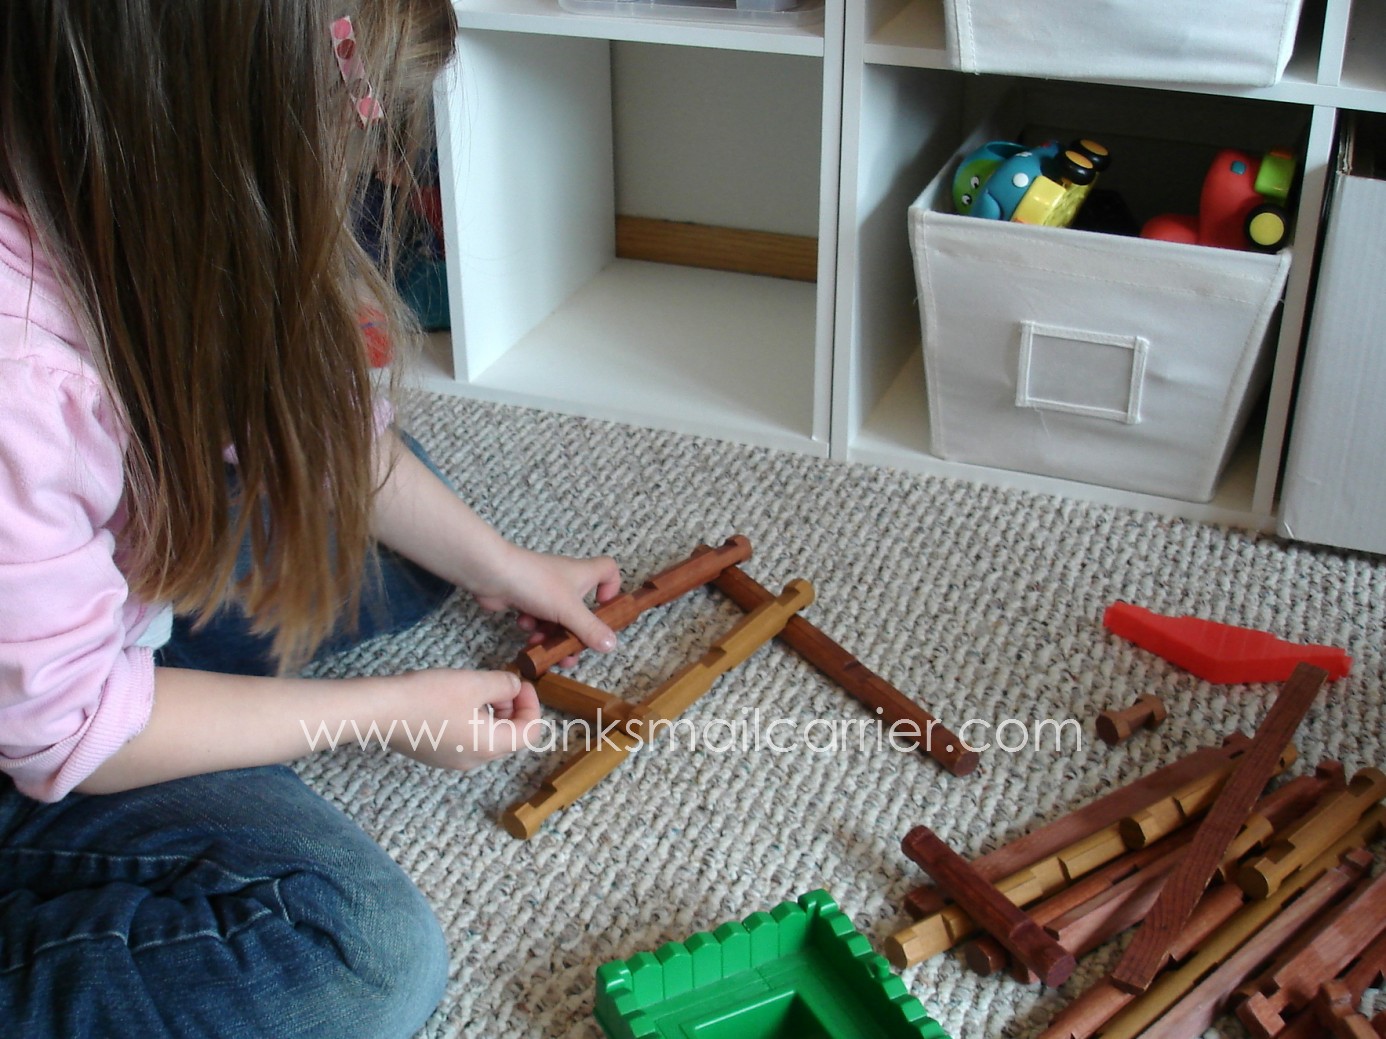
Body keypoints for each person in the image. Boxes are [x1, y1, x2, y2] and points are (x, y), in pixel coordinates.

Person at [0, 3, 622, 1036]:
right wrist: (380, 710)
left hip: (72, 590)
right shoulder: (23, 380)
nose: (368, 168)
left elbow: (320, 435)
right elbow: (73, 736)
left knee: (384, 529)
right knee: (357, 958)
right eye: (348, 130)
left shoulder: (143, 218)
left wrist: (504, 565)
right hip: (37, 744)